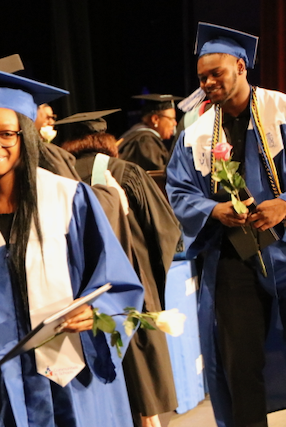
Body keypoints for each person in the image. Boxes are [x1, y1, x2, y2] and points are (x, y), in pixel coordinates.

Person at [0, 69, 144, 426]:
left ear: (27, 135)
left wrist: (96, 311)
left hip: (71, 384)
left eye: (6, 134)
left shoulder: (69, 201)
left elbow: (116, 281)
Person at [166, 22, 286, 427]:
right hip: (235, 260)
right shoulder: (196, 134)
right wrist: (213, 211)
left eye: (217, 73)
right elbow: (178, 191)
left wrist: (283, 205)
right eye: (202, 78)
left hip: (285, 248)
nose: (209, 82)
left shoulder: (281, 110)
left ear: (241, 65)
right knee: (241, 365)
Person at [58, 111, 180, 427]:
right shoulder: (124, 171)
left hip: (83, 300)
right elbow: (165, 231)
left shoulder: (57, 181)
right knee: (146, 399)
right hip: (132, 291)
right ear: (107, 142)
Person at [119, 94, 182, 171]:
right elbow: (158, 173)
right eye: (171, 119)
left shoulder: (137, 134)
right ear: (155, 119)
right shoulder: (145, 140)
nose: (175, 123)